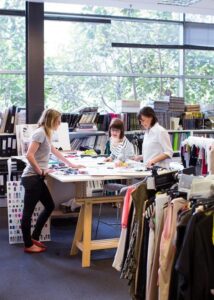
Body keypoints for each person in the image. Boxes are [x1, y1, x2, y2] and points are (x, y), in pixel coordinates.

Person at [21, 109, 84, 253]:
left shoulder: (46, 133)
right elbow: (29, 155)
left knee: (49, 206)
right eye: (58, 121)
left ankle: (35, 237)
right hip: (32, 178)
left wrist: (72, 165)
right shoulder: (40, 133)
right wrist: (40, 171)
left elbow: (55, 151)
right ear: (51, 120)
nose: (59, 123)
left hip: (36, 178)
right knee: (27, 213)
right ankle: (28, 245)